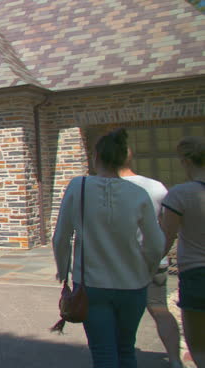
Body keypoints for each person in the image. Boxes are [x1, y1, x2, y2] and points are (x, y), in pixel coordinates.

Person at [53, 128, 165, 368]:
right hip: (133, 285)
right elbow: (156, 243)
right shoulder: (138, 194)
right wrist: (149, 270)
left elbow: (61, 236)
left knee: (103, 353)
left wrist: (63, 271)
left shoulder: (78, 186)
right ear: (124, 159)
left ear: (96, 157)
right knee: (126, 350)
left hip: (92, 286)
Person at [119, 150, 183, 368]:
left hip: (123, 264)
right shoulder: (156, 186)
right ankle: (174, 359)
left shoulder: (108, 189)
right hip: (154, 260)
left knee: (119, 314)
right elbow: (167, 226)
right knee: (159, 308)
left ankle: (122, 358)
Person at [161, 136, 205, 368]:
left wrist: (148, 266)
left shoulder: (180, 194)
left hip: (197, 276)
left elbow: (166, 237)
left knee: (198, 348)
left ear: (186, 161)